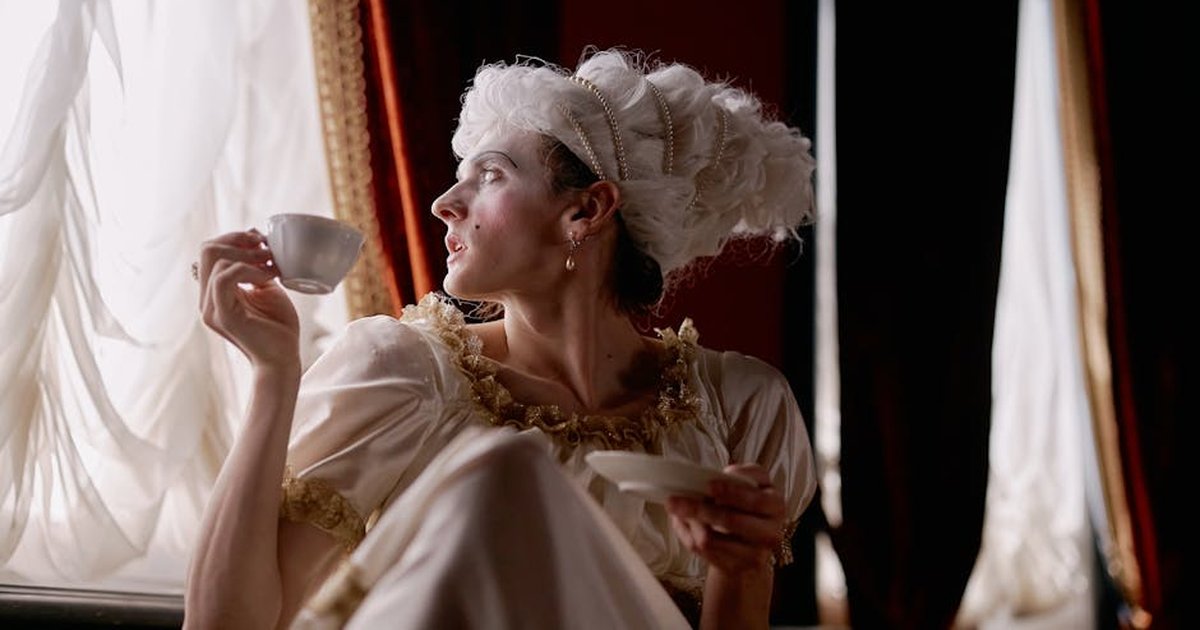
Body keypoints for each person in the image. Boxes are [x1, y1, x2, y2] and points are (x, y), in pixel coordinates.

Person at [184, 48, 817, 629]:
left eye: (489, 175)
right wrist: (275, 377)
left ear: (586, 211)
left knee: (504, 472)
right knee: (500, 473)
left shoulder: (739, 407)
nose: (443, 203)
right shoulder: (403, 374)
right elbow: (226, 624)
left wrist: (742, 566)